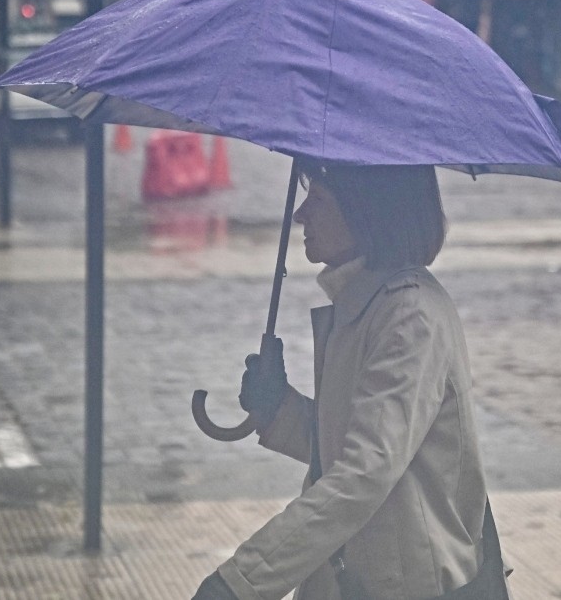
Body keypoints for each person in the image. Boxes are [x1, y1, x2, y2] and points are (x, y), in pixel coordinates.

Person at [192, 163, 502, 600]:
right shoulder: (366, 303)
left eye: (319, 199)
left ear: (367, 211)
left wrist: (239, 584)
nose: (300, 214)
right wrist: (281, 409)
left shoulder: (407, 317)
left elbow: (364, 474)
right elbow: (358, 444)